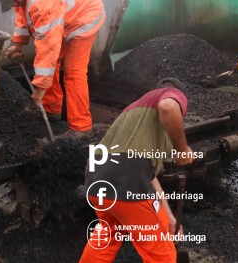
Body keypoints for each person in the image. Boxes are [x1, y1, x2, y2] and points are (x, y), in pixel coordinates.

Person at [80, 78, 195, 263]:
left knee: (107, 236)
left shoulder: (134, 111)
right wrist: (182, 150)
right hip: (127, 177)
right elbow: (168, 106)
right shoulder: (171, 96)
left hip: (96, 176)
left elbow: (150, 178)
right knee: (161, 254)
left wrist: (170, 218)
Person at [0, 0, 105, 136]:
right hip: (62, 16)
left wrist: (39, 89)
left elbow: (48, 50)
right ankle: (52, 110)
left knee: (73, 72)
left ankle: (81, 128)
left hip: (84, 17)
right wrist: (18, 43)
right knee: (49, 65)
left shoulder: (42, 1)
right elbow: (22, 15)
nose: (14, 4)